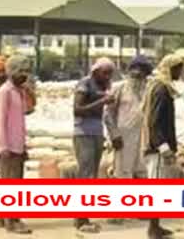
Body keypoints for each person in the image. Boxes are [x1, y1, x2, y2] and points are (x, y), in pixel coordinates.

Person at [103, 55, 152, 224]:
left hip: (144, 136)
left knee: (142, 173)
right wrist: (114, 134)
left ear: (146, 74)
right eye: (134, 70)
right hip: (123, 137)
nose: (137, 74)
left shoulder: (149, 89)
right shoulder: (119, 88)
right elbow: (108, 114)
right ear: (129, 71)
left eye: (141, 71)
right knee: (121, 173)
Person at [141, 54, 184, 239]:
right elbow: (155, 121)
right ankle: (153, 229)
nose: (180, 72)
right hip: (157, 148)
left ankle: (156, 226)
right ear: (170, 68)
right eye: (178, 69)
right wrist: (163, 147)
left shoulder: (159, 86)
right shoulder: (160, 89)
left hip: (156, 146)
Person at [72, 57, 116, 234]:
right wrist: (102, 102)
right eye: (105, 73)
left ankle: (84, 217)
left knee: (91, 176)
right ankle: (81, 219)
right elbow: (77, 109)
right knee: (86, 175)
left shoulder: (101, 87)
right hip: (83, 134)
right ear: (96, 71)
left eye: (110, 74)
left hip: (96, 133)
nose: (107, 77)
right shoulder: (85, 84)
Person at [0, 55, 33, 235]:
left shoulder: (19, 91)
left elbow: (22, 118)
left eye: (27, 72)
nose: (25, 75)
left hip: (17, 145)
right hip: (7, 147)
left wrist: (23, 146)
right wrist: (2, 147)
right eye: (22, 72)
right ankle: (13, 222)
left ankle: (4, 218)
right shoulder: (4, 92)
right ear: (12, 72)